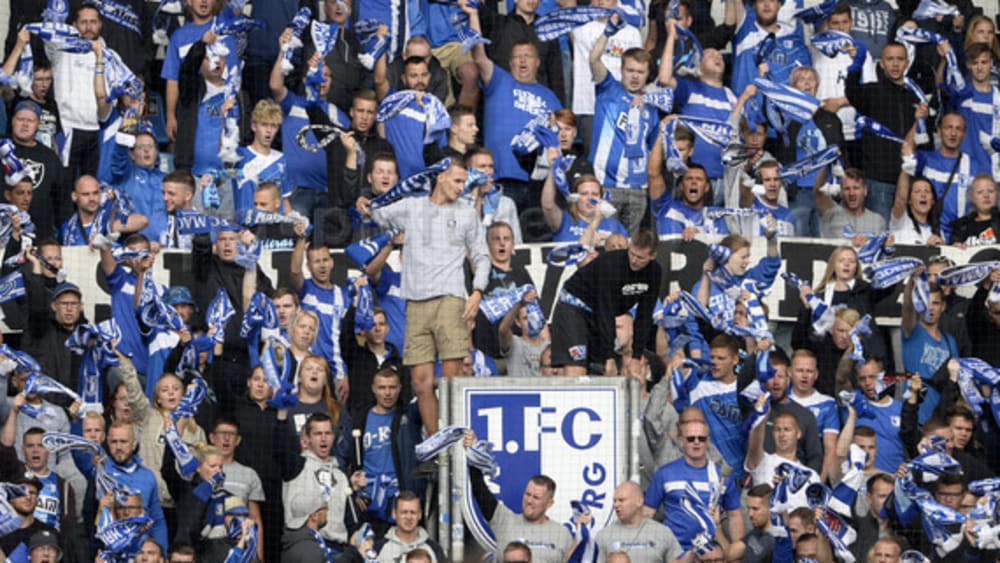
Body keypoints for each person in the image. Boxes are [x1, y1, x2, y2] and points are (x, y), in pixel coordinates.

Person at [364, 160, 490, 435]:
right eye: (457, 181)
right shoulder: (412, 207)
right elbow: (374, 214)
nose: (461, 187)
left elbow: (481, 255)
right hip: (416, 303)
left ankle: (456, 436)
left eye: (463, 182)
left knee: (451, 379)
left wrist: (478, 290)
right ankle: (436, 443)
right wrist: (366, 202)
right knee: (421, 382)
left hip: (450, 298)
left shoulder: (467, 213)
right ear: (440, 177)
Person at [465, 5, 562, 210]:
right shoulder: (499, 80)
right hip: (498, 180)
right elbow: (479, 56)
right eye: (517, 56)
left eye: (527, 56)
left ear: (537, 62)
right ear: (510, 62)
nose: (523, 60)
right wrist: (473, 16)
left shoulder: (551, 98)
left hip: (536, 184)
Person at [549, 229, 660, 376]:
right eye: (631, 253)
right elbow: (605, 310)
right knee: (577, 364)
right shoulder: (611, 264)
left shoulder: (655, 272)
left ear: (653, 256)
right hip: (574, 305)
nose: (633, 260)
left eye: (640, 257)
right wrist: (609, 356)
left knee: (598, 369)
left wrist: (636, 356)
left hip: (597, 312)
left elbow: (644, 316)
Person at [463, 431, 574, 563]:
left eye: (536, 497)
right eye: (527, 494)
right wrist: (474, 453)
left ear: (549, 503)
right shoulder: (504, 521)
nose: (529, 501)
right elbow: (480, 491)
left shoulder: (562, 534)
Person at [587, 34, 658, 233]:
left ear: (647, 74)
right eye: (630, 70)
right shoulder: (608, 89)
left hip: (638, 190)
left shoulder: (652, 107)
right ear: (621, 70)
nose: (635, 76)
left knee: (630, 250)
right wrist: (607, 33)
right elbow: (593, 59)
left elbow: (651, 149)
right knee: (602, 244)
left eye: (640, 72)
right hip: (605, 186)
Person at [643, 418, 744, 552]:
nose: (696, 442)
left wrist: (737, 552)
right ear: (681, 442)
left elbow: (734, 515)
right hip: (675, 554)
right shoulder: (665, 473)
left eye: (701, 438)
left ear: (708, 441)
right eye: (691, 439)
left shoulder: (722, 476)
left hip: (712, 554)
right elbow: (647, 513)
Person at [845, 41, 920, 219]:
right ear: (881, 63)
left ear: (907, 63)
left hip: (909, 177)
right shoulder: (872, 91)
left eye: (900, 59)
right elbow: (852, 93)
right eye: (890, 59)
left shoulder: (915, 96)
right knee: (879, 235)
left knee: (906, 238)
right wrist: (856, 66)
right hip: (878, 180)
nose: (895, 64)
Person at [348, 367, 421, 526]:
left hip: (400, 499)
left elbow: (425, 393)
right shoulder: (360, 418)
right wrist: (352, 486)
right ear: (373, 388)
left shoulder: (408, 416)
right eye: (382, 387)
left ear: (400, 388)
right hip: (367, 501)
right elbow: (343, 457)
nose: (387, 393)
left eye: (392, 387)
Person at [277, 411, 360, 550]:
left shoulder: (341, 476)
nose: (323, 439)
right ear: (308, 439)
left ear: (333, 437)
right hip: (305, 545)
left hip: (337, 549)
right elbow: (280, 449)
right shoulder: (297, 465)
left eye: (327, 433)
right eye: (317, 434)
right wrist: (282, 415)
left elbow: (351, 521)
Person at [571, 0, 642, 156]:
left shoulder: (632, 33)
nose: (601, 0)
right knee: (595, 161)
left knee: (621, 161)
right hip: (589, 107)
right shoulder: (579, 27)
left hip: (622, 108)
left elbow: (639, 70)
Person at [47, 4, 102, 177]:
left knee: (91, 186)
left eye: (93, 22)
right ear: (74, 24)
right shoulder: (61, 48)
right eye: (83, 22)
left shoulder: (107, 53)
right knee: (65, 185)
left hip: (97, 129)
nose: (88, 27)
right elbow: (50, 35)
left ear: (100, 24)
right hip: (69, 127)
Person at [901, 111, 973, 241]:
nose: (953, 133)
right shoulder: (926, 158)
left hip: (960, 238)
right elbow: (907, 149)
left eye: (958, 129)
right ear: (939, 131)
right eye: (948, 127)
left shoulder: (974, 165)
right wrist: (918, 120)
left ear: (964, 135)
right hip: (928, 233)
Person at [103, 419, 169, 550]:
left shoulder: (148, 475)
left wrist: (162, 553)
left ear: (134, 444)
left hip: (142, 552)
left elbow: (157, 520)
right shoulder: (101, 474)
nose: (118, 447)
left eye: (123, 442)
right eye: (114, 442)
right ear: (108, 444)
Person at [10, 100, 70, 239]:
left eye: (30, 120)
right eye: (20, 119)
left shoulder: (49, 156)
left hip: (41, 236)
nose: (25, 124)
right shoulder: (3, 149)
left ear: (38, 124)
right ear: (13, 120)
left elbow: (62, 201)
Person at [593, 481, 683, 563]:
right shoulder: (604, 536)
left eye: (621, 500)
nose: (616, 505)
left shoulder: (662, 532)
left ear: (639, 501)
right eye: (615, 501)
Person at [372, 492, 447, 563]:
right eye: (404, 512)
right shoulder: (378, 548)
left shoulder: (434, 549)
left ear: (420, 515)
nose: (408, 517)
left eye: (413, 512)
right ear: (394, 514)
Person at [817, 168, 887, 238]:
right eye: (847, 188)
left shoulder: (877, 221)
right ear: (841, 192)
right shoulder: (831, 214)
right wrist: (826, 161)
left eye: (856, 188)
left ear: (865, 190)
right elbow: (819, 190)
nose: (852, 193)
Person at [949, 174, 1000, 246]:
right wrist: (955, 248)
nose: (986, 195)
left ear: (997, 195)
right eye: (980, 192)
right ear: (972, 197)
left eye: (991, 191)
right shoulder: (961, 227)